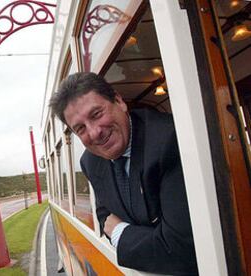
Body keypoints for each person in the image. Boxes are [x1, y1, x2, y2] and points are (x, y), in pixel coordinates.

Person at [49, 72, 198, 275]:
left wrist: (120, 231)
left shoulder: (169, 140)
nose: (94, 133)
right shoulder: (90, 161)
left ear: (119, 101)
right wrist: (150, 237)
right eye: (80, 128)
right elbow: (103, 215)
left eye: (96, 114)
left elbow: (181, 249)